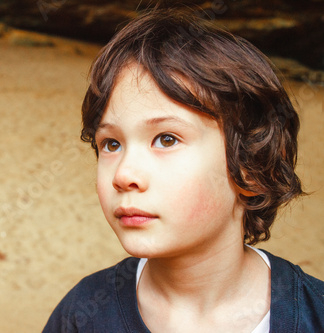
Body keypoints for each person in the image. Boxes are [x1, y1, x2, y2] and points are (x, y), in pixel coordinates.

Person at [43, 5, 324, 333]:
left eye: (166, 139)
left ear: (252, 168)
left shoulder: (314, 314)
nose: (123, 175)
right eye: (112, 144)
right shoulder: (81, 317)